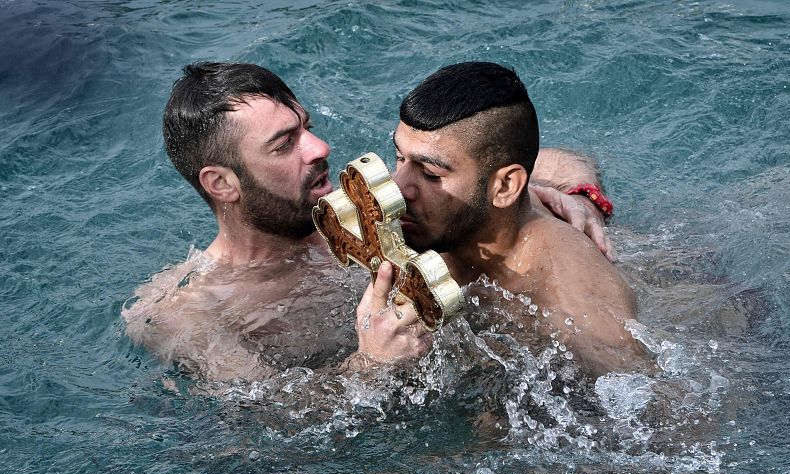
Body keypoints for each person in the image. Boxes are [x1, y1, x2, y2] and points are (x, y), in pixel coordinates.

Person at [122, 62, 614, 381]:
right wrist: (369, 367)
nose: (319, 149)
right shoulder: (186, 313)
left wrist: (578, 196)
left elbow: (525, 154)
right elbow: (267, 426)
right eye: (284, 144)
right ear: (221, 184)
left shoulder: (360, 209)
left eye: (307, 127)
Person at [386, 61, 651, 377]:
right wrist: (585, 196)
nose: (396, 187)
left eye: (429, 174)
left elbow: (663, 409)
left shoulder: (569, 304)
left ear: (506, 187)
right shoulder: (462, 200)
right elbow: (551, 160)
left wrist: (370, 367)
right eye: (400, 157)